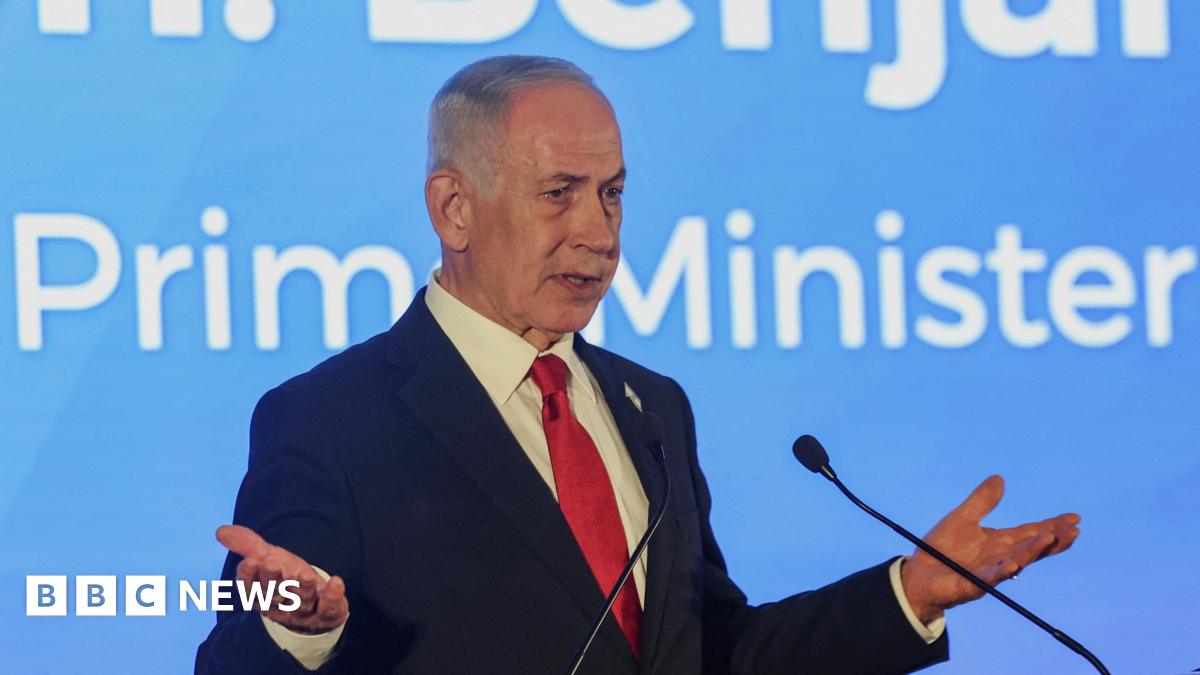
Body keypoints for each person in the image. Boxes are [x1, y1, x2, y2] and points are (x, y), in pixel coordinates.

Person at [195, 55, 1081, 674]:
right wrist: (293, 630)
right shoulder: (332, 419)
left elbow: (711, 651)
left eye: (613, 193)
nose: (599, 232)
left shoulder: (651, 407)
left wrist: (908, 594)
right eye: (559, 195)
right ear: (455, 208)